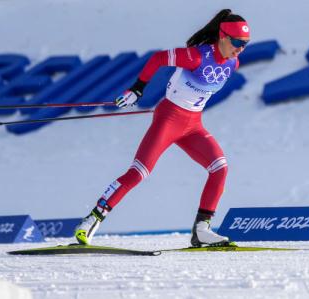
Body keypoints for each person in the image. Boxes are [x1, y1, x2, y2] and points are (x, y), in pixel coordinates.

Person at [74, 9, 250, 247]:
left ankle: (201, 230)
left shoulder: (233, 63)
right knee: (139, 172)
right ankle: (92, 219)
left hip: (194, 124)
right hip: (169, 119)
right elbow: (158, 58)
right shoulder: (195, 56)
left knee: (220, 168)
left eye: (246, 44)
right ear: (223, 36)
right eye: (238, 42)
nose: (240, 48)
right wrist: (137, 89)